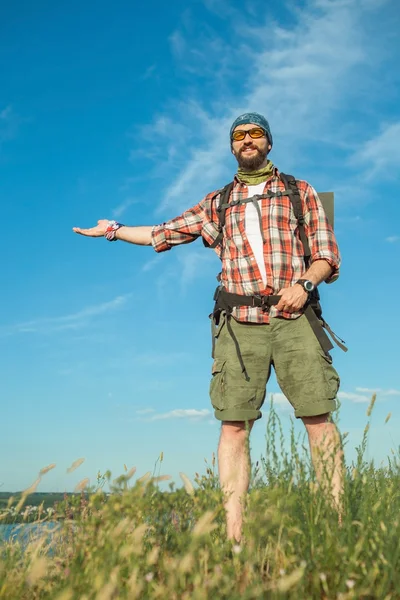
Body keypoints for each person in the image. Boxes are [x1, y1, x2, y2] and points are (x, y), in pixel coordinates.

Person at [73, 112, 343, 542]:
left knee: (318, 419)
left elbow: (328, 255)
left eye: (255, 134)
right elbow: (164, 232)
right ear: (232, 147)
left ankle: (336, 528)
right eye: (239, 136)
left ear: (269, 143)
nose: (247, 140)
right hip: (238, 325)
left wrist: (305, 284)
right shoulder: (217, 202)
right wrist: (116, 230)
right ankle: (234, 539)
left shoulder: (300, 192)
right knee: (233, 425)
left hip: (295, 319)